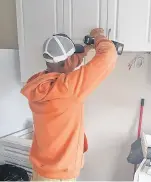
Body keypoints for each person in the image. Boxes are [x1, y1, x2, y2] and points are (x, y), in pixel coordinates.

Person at [21, 28, 117, 181]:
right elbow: (109, 55)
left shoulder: (36, 82)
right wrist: (98, 36)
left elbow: (64, 67)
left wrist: (85, 50)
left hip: (42, 170)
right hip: (60, 175)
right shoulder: (68, 88)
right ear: (67, 61)